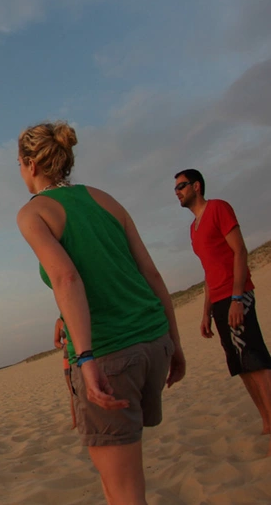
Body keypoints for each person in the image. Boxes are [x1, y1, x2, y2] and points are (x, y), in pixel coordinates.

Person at [17, 121, 185, 504]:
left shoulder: (34, 213)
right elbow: (150, 273)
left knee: (124, 491)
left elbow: (68, 279)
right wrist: (175, 343)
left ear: (30, 164)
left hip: (110, 355)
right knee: (119, 480)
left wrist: (87, 356)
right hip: (154, 341)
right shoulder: (104, 198)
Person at [175, 169, 271, 439]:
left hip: (236, 295)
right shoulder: (193, 230)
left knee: (255, 361)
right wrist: (205, 312)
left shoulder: (218, 208)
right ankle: (266, 421)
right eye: (175, 189)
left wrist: (238, 297)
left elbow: (240, 250)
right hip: (217, 301)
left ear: (196, 186)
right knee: (240, 365)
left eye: (181, 186)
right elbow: (208, 271)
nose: (177, 192)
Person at [54, 316, 77, 429]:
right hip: (67, 356)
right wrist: (62, 345)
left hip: (79, 354)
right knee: (72, 391)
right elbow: (56, 341)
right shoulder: (59, 322)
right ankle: (75, 422)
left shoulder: (75, 314)